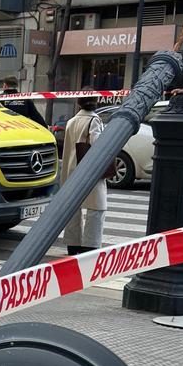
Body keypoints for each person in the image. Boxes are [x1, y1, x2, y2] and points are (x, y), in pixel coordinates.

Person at [60, 93, 107, 255]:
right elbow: (97, 145)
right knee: (97, 207)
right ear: (95, 102)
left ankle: (73, 244)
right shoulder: (94, 120)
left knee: (74, 208)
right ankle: (91, 245)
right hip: (90, 170)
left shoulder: (71, 122)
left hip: (72, 170)